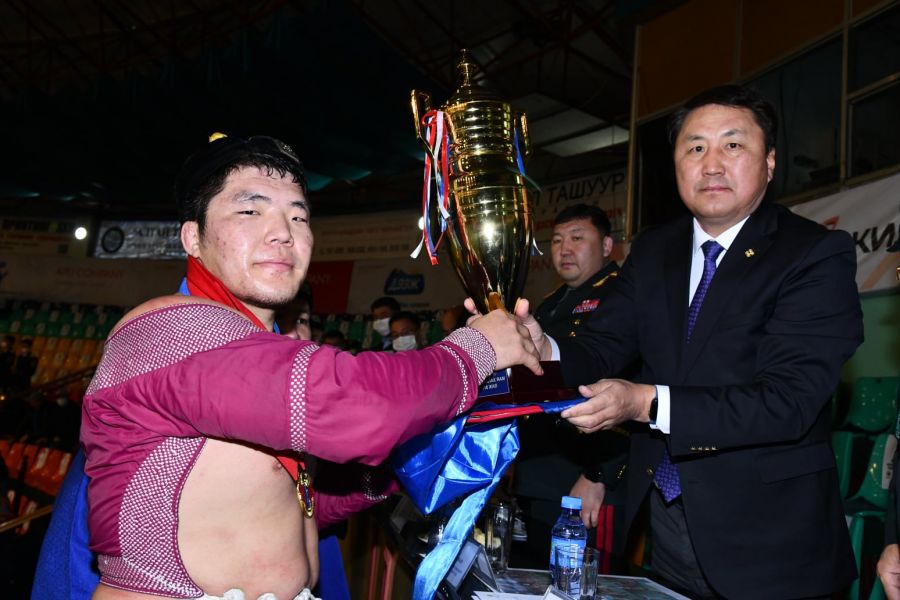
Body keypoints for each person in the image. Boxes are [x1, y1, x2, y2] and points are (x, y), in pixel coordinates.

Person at [47, 135, 542, 600]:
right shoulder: (170, 332)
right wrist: (477, 348)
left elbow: (283, 506)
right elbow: (355, 405)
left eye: (298, 216)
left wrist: (391, 470)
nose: (282, 232)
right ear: (193, 238)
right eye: (250, 210)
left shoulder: (257, 344)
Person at [518, 85, 863, 599]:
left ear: (770, 162)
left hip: (772, 542)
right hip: (668, 523)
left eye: (733, 145)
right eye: (695, 147)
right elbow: (601, 345)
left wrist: (645, 402)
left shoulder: (814, 253)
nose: (712, 164)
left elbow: (787, 401)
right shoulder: (655, 250)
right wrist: (541, 348)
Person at [512, 203, 631, 570]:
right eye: (557, 240)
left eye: (578, 238)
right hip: (540, 473)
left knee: (586, 582)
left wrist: (599, 474)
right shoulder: (550, 304)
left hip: (583, 481)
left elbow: (631, 384)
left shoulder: (622, 296)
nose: (564, 249)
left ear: (607, 245)